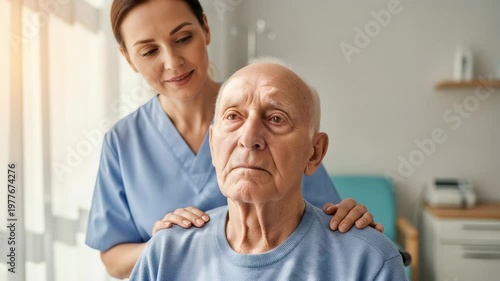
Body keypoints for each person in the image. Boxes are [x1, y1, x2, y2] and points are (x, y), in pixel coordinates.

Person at [85, 0, 382, 278]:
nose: (173, 62)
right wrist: (168, 248)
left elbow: (326, 223)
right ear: (128, 58)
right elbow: (112, 254)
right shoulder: (122, 142)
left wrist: (351, 225)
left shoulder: (273, 126)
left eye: (183, 38)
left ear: (206, 29)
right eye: (150, 51)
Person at [129, 60, 408, 281]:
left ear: (314, 152)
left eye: (276, 118)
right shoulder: (166, 254)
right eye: (233, 117)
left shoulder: (367, 261)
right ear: (213, 146)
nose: (249, 138)